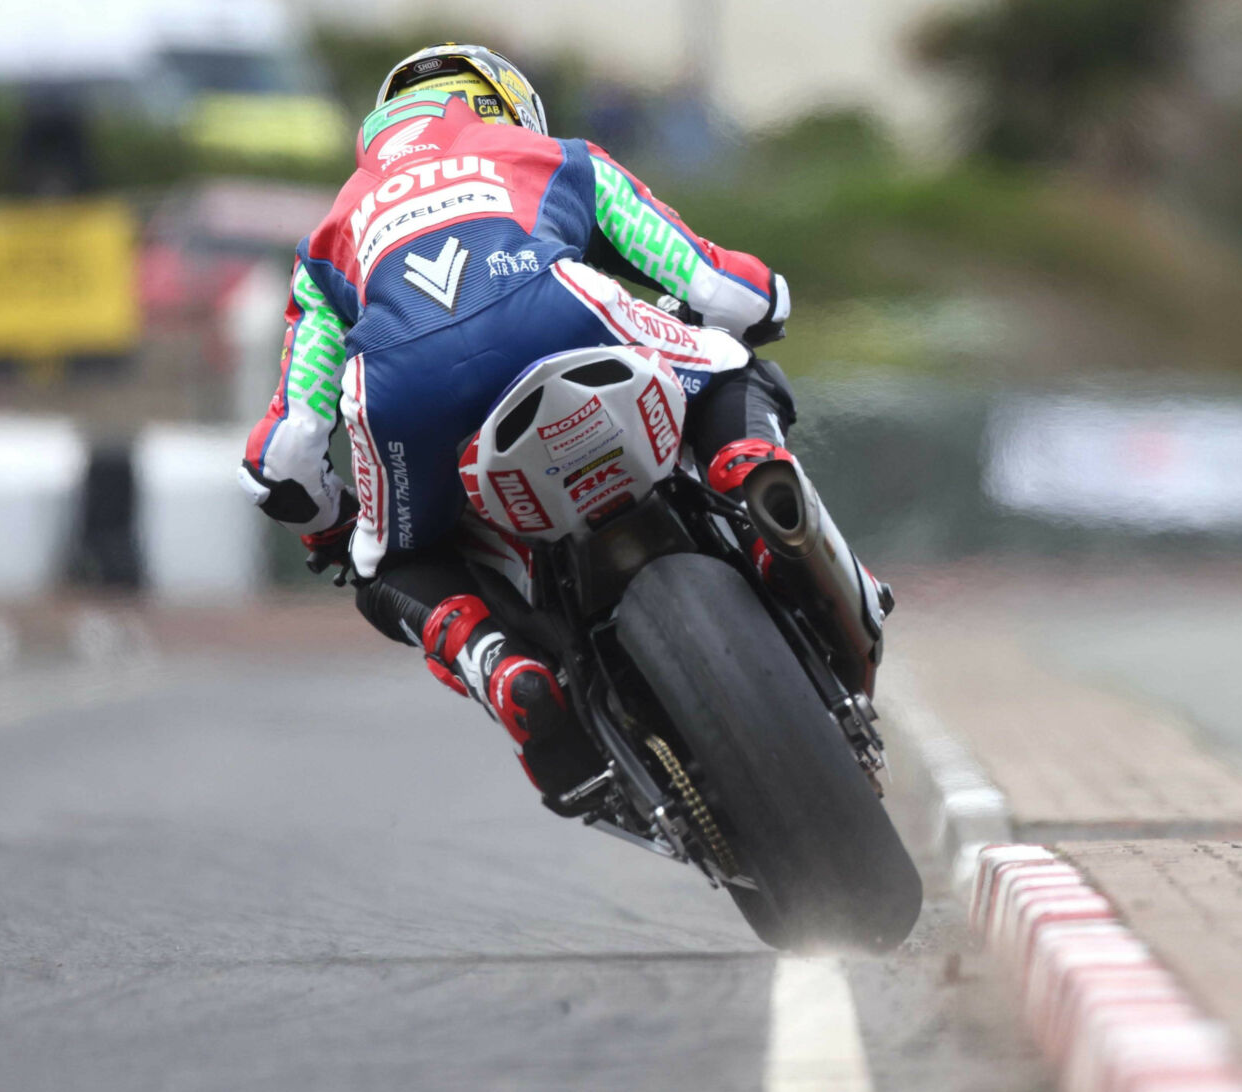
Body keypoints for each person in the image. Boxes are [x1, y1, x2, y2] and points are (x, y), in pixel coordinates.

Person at [239, 44, 818, 812]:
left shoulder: (328, 239)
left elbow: (283, 457)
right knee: (724, 360)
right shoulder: (554, 156)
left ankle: (497, 662)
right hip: (560, 316)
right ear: (502, 102)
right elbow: (723, 290)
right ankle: (752, 479)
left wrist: (330, 526)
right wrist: (766, 303)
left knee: (385, 568)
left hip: (403, 392)